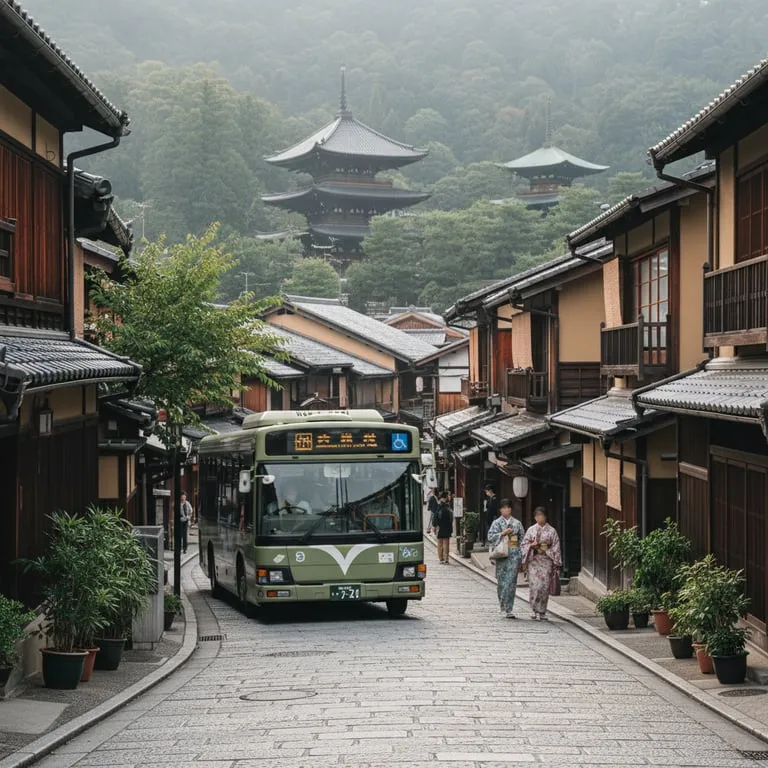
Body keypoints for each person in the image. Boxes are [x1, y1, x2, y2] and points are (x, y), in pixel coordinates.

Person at [521, 506, 562, 621]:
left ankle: (542, 611)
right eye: (537, 516)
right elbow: (523, 545)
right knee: (535, 586)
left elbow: (556, 547)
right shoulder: (531, 530)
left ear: (546, 517)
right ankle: (534, 609)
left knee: (544, 587)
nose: (539, 518)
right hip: (534, 561)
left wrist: (546, 551)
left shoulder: (552, 531)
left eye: (542, 515)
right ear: (535, 517)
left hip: (546, 561)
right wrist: (531, 546)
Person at [487, 498, 525, 618]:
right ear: (500, 510)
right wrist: (502, 533)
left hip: (514, 555)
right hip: (501, 555)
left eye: (508, 507)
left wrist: (521, 556)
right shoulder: (496, 523)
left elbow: (522, 539)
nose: (506, 510)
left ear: (511, 509)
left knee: (511, 582)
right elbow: (490, 537)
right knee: (502, 582)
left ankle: (509, 609)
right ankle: (502, 605)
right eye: (503, 508)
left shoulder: (517, 523)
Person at [435, 490, 453, 564]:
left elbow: (435, 517)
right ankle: (446, 559)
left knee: (440, 544)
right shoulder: (448, 507)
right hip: (447, 526)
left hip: (440, 526)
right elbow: (451, 518)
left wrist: (435, 526)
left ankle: (441, 558)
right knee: (446, 543)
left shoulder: (439, 507)